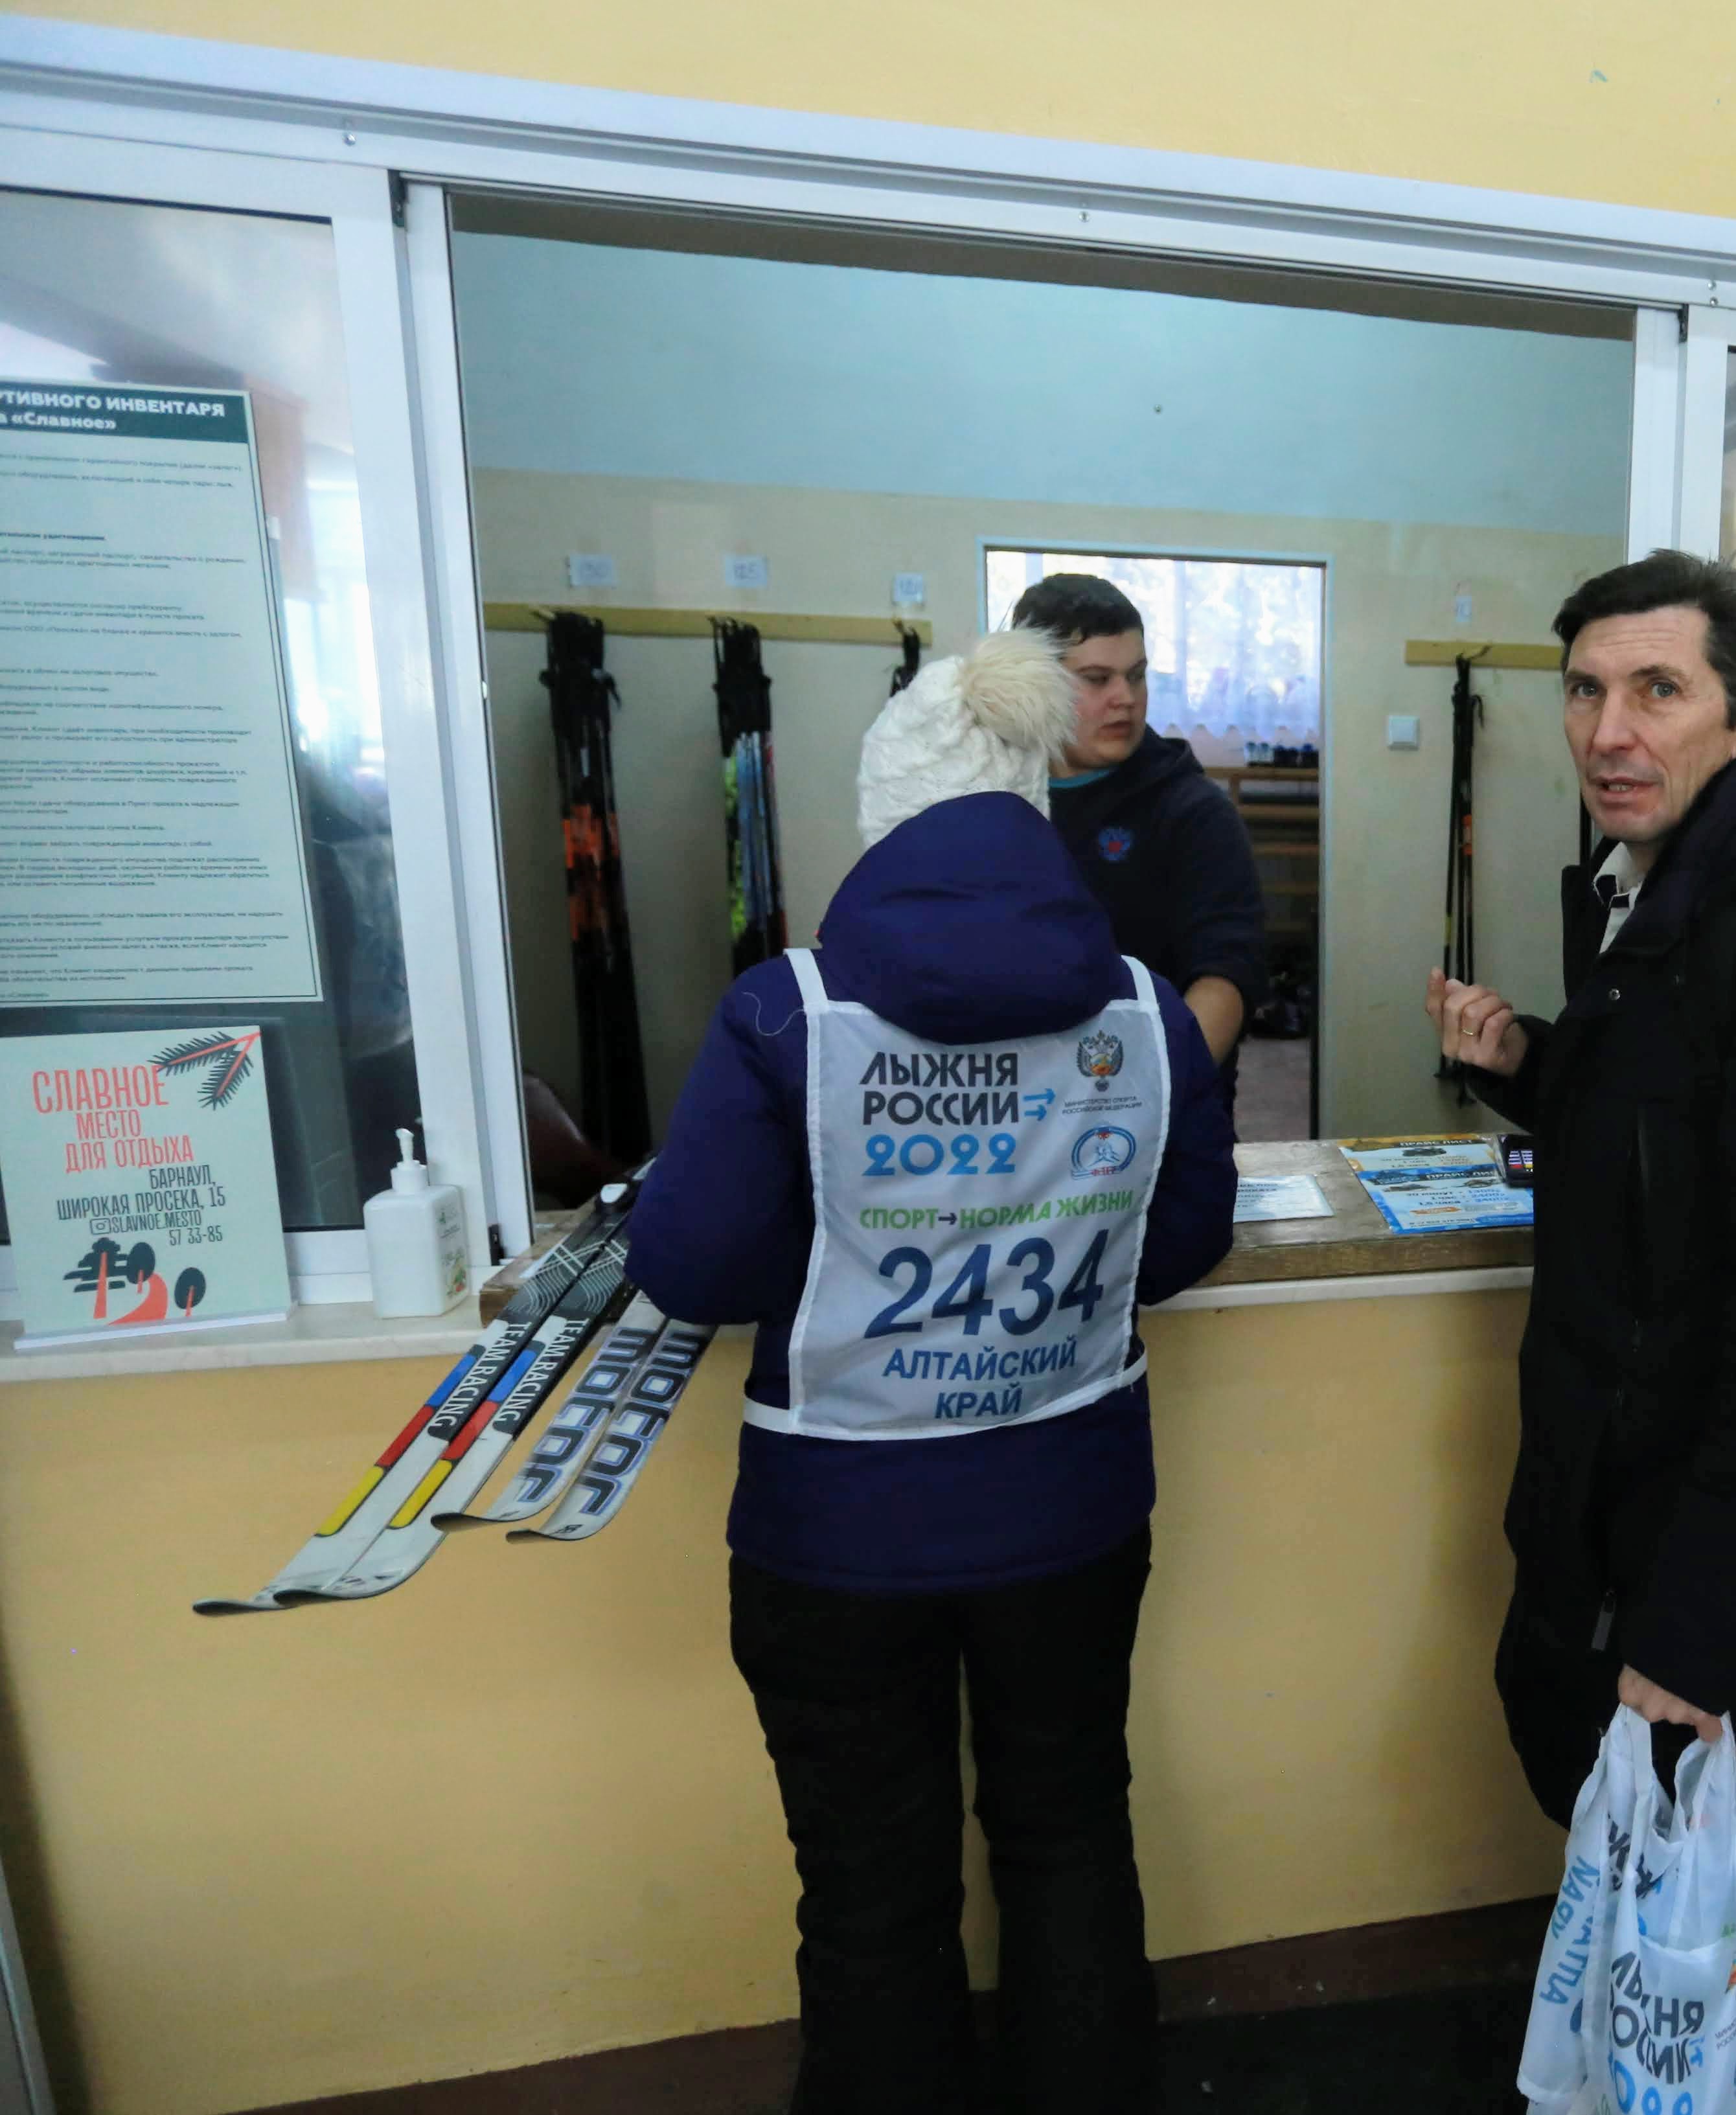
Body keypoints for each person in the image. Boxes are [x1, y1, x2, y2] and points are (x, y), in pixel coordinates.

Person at [626, 626, 1238, 2112]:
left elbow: (692, 1264)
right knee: (1068, 1834)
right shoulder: (1145, 1011)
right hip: (1070, 1512)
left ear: (880, 822)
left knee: (870, 1885)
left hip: (837, 1537)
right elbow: (1178, 1242)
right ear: (1032, 807)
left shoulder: (789, 1012)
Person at [1424, 549, 1736, 2101]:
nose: (1609, 732)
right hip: (1628, 1517)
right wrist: (1531, 1067)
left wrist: (1693, 1640)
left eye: (1658, 690)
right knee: (1706, 1911)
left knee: (1718, 1903)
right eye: (1585, 691)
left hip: (1714, 1569)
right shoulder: (1674, 895)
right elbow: (1681, 1154)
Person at [1009, 573, 1268, 1075]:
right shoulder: (989, 798)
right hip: (1020, 1096)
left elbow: (1228, 974)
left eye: (1137, 675)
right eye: (1097, 679)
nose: (1126, 698)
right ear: (1034, 685)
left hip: (1158, 1094)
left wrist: (1148, 1090)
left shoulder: (1194, 810)